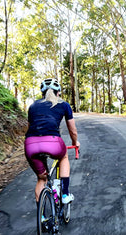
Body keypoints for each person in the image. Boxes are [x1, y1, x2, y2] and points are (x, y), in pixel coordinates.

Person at [24, 78, 80, 207]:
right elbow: (73, 130)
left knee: (41, 179)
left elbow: (29, 127)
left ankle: (42, 217)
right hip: (53, 142)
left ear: (42, 93)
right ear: (58, 92)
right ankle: (65, 194)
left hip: (30, 144)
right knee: (64, 157)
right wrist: (75, 142)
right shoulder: (64, 105)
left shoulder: (32, 106)